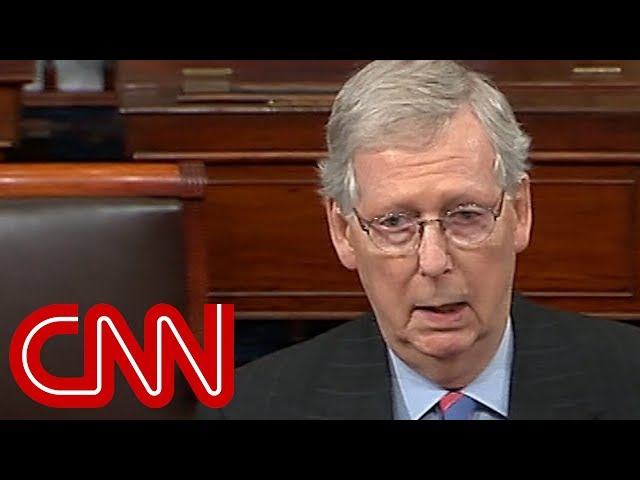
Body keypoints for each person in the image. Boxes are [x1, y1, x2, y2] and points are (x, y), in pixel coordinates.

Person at [198, 60, 640, 420]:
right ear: (343, 231)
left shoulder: (628, 381)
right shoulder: (252, 407)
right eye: (394, 222)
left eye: (465, 215)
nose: (433, 261)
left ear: (520, 212)